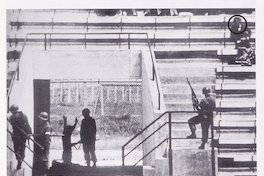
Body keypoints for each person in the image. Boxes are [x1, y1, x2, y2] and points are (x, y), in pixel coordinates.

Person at [9, 104, 32, 170]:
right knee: (22, 148)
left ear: (13, 110)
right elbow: (27, 125)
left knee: (16, 148)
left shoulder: (12, 117)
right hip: (23, 135)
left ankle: (19, 158)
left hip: (16, 135)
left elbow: (12, 125)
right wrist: (29, 133)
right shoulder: (24, 115)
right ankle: (21, 159)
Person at [33, 112, 52, 176]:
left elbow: (46, 137)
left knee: (45, 159)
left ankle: (45, 173)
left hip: (45, 145)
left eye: (40, 119)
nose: (39, 120)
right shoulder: (42, 126)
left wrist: (44, 146)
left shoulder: (47, 126)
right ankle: (41, 172)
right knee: (40, 159)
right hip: (41, 144)